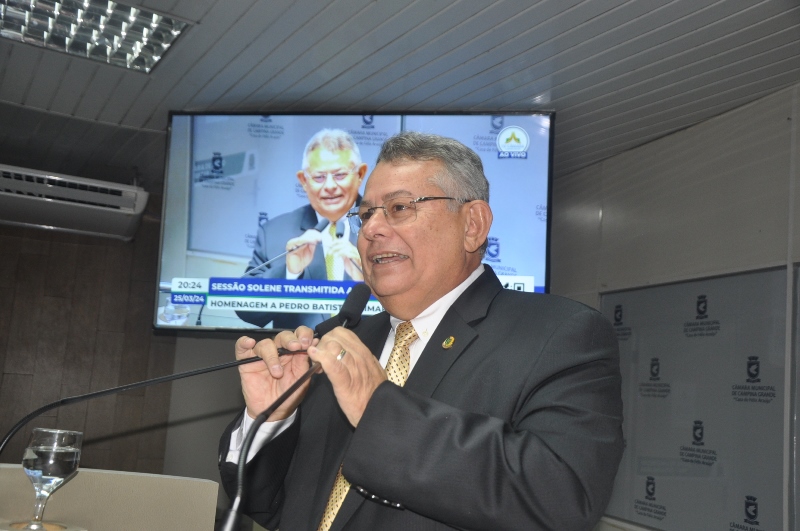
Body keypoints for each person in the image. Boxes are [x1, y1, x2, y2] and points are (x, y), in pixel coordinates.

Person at [219, 131, 624, 530]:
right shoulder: (341, 342)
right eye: (366, 214)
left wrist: (378, 411)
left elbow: (561, 500)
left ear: (473, 225)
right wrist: (270, 419)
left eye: (399, 208)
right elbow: (271, 505)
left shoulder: (560, 335)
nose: (371, 229)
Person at [237, 129, 368, 329]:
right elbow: (245, 309)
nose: (330, 186)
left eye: (340, 175)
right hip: (299, 349)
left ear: (360, 174)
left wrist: (368, 278)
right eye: (319, 177)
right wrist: (289, 273)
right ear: (303, 181)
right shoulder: (274, 232)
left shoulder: (386, 227)